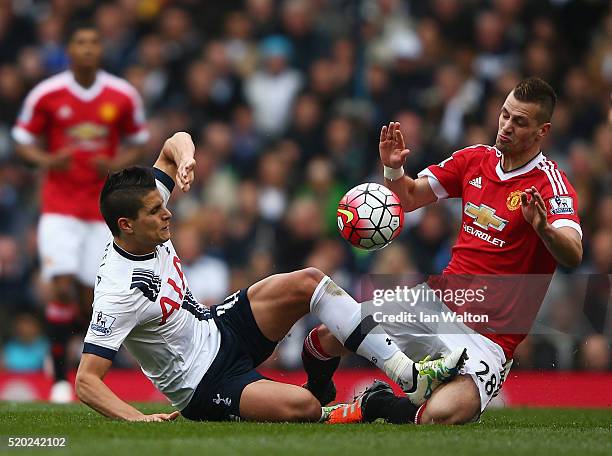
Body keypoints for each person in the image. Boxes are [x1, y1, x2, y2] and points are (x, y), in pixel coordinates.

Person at [75, 131, 466, 423]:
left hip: (218, 327)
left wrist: (188, 158)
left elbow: (174, 142)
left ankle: (407, 374)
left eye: (163, 205)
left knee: (309, 281)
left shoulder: (145, 211)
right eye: (154, 212)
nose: (168, 213)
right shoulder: (118, 290)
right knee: (304, 408)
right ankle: (361, 407)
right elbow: (86, 381)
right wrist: (136, 418)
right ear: (126, 224)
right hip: (203, 383)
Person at [305, 77, 583, 425]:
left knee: (445, 413)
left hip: (489, 336)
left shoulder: (550, 184)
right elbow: (407, 198)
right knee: (330, 335)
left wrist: (543, 229)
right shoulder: (474, 160)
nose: (507, 126)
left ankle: (375, 405)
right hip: (434, 303)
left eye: (520, 121)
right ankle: (312, 399)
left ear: (542, 132)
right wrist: (393, 169)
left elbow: (573, 253)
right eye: (505, 115)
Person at [11, 23, 148, 402]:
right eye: (80, 43)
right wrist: (47, 159)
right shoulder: (48, 93)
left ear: (100, 51)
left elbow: (138, 139)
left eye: (93, 43)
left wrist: (118, 162)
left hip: (102, 208)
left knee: (91, 297)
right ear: (69, 50)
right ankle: (58, 377)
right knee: (60, 284)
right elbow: (21, 138)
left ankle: (76, 359)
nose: (87, 50)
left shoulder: (121, 95)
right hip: (59, 205)